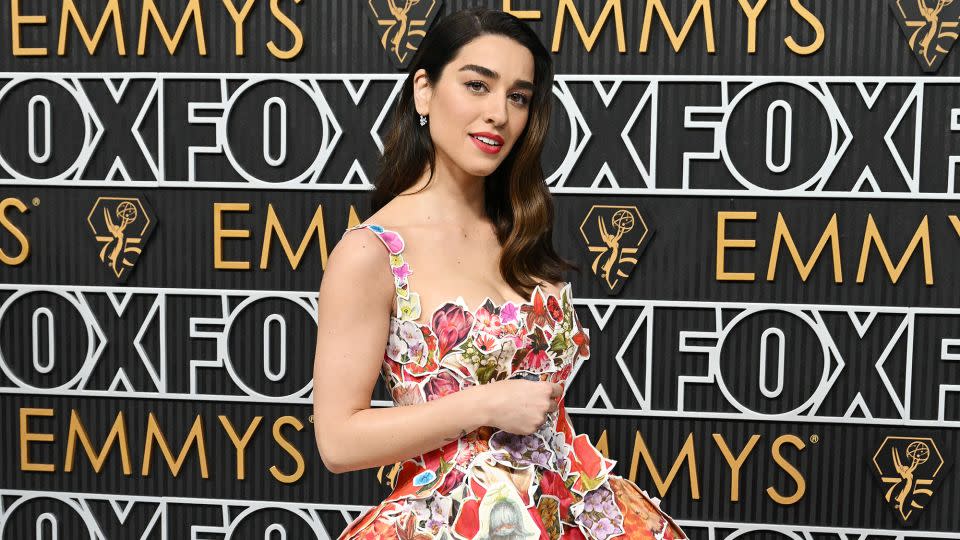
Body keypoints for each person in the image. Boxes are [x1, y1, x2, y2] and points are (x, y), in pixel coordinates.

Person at [312, 8, 687, 540]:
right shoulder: (371, 253)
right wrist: (484, 404)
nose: (498, 114)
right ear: (424, 91)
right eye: (476, 85)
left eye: (517, 96)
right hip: (455, 521)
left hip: (569, 510)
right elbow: (338, 441)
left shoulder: (520, 229)